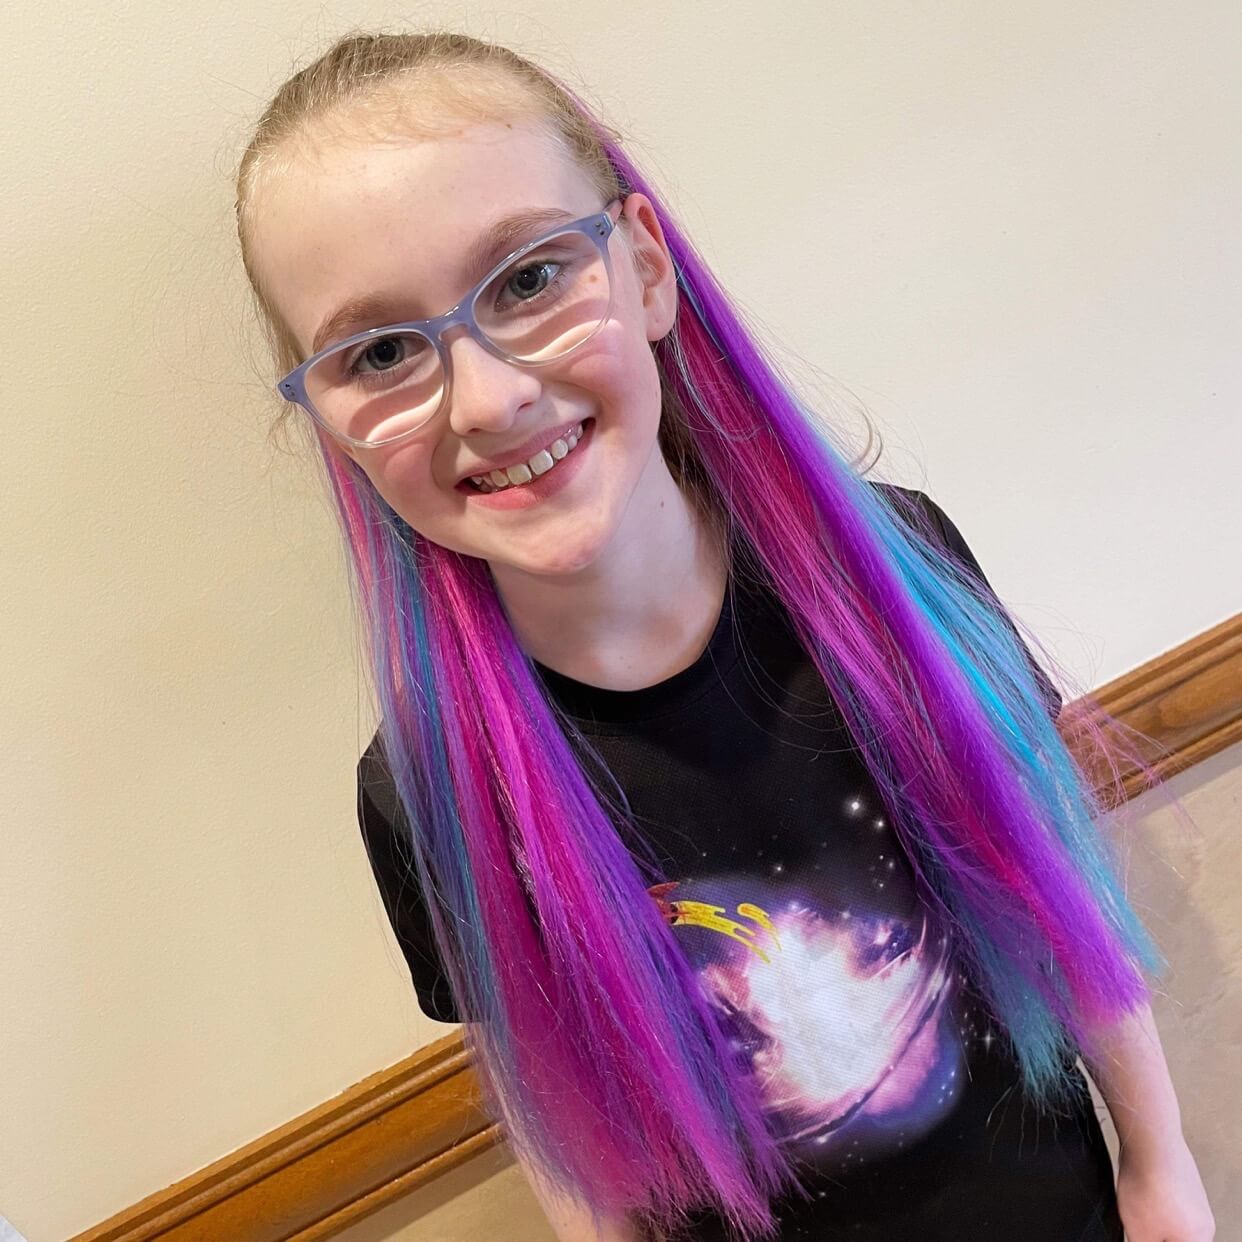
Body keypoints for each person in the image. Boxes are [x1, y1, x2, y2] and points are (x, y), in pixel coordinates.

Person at [232, 30, 1213, 1242]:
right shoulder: (427, 790)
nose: (487, 400)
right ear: (329, 420)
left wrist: (1160, 1162)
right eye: (380, 352)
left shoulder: (890, 583)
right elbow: (571, 1140)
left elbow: (1051, 885)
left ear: (645, 267)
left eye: (532, 277)